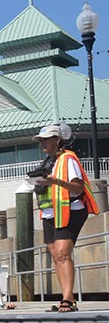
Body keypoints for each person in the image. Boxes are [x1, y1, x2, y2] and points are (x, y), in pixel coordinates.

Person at [31, 123, 100, 312]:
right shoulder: (48, 161)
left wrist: (55, 181)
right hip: (49, 213)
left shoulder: (68, 159)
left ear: (57, 140)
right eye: (41, 140)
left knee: (62, 253)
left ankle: (68, 299)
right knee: (55, 255)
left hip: (69, 210)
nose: (42, 144)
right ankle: (65, 296)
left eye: (46, 140)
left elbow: (78, 187)